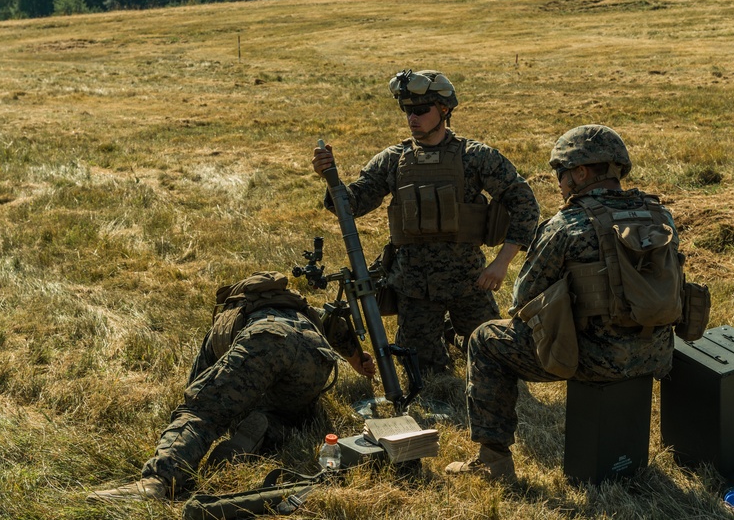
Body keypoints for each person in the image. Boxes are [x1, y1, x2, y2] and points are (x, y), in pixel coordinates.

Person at [446, 125, 682, 480]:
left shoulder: (566, 224)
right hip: (657, 356)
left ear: (581, 173)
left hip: (590, 359)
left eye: (561, 173)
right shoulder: (661, 216)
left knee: (485, 339)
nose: (559, 182)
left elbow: (522, 300)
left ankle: (493, 462)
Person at [312, 69, 539, 374]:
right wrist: (330, 178)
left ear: (444, 110)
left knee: (496, 363)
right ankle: (447, 337)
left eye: (420, 110)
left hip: (469, 282)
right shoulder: (393, 159)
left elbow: (523, 201)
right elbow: (352, 205)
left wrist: (501, 263)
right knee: (424, 373)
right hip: (415, 287)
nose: (412, 118)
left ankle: (454, 337)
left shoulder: (476, 157)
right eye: (407, 111)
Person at [88, 271, 375, 502]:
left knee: (204, 410)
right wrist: (356, 360)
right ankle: (262, 429)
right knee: (291, 414)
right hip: (317, 355)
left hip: (265, 340)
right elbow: (335, 326)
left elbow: (200, 392)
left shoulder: (231, 315)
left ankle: (158, 480)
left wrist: (196, 409)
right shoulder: (299, 307)